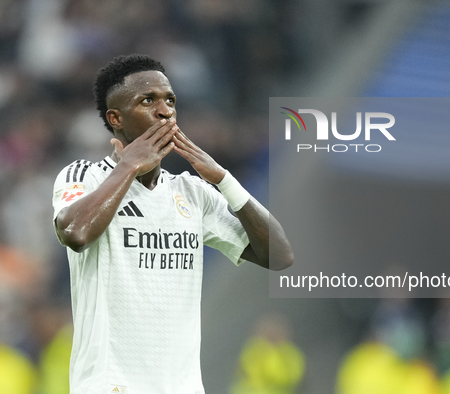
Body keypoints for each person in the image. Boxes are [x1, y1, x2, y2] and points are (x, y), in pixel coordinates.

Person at [52, 54, 293, 394]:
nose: (165, 111)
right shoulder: (85, 176)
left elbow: (279, 256)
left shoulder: (193, 193)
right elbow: (75, 233)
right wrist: (129, 166)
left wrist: (225, 180)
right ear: (116, 118)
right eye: (147, 100)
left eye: (170, 100)